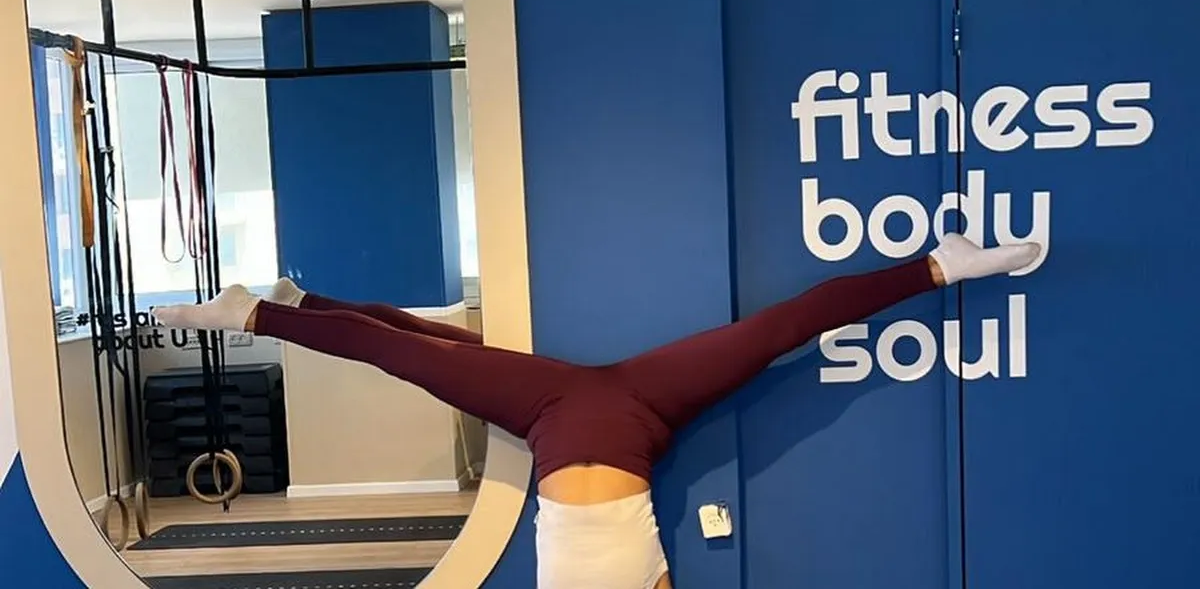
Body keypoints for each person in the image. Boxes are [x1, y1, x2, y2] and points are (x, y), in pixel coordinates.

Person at [152, 233, 1039, 589]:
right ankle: (941, 266)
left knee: (420, 353)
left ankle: (276, 310)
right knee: (781, 329)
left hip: (550, 418)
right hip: (638, 415)